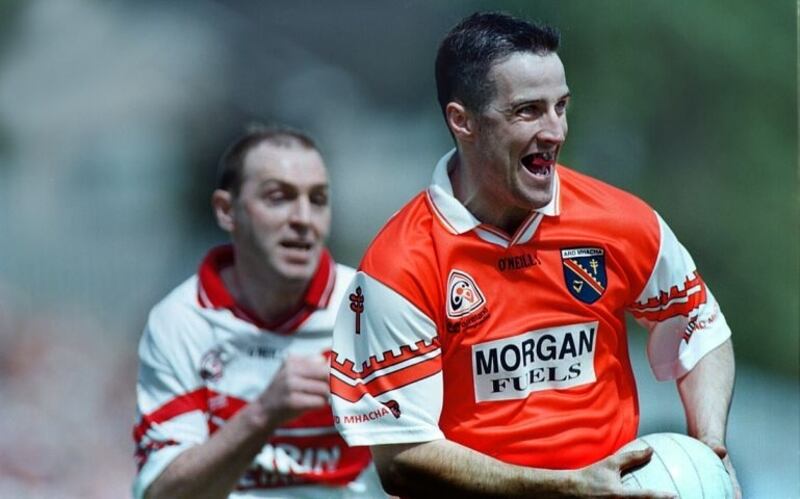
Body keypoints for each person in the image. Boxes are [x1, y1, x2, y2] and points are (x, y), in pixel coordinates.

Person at [329, 12, 740, 498]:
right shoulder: (398, 268)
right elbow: (401, 458)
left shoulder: (622, 223)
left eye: (560, 106)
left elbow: (701, 326)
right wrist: (563, 488)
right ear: (463, 121)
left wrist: (708, 447)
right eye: (528, 111)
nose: (555, 131)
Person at [132, 126, 385, 498]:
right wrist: (264, 413)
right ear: (226, 210)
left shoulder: (375, 309)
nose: (303, 218)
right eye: (278, 197)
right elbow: (163, 494)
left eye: (317, 200)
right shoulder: (181, 321)